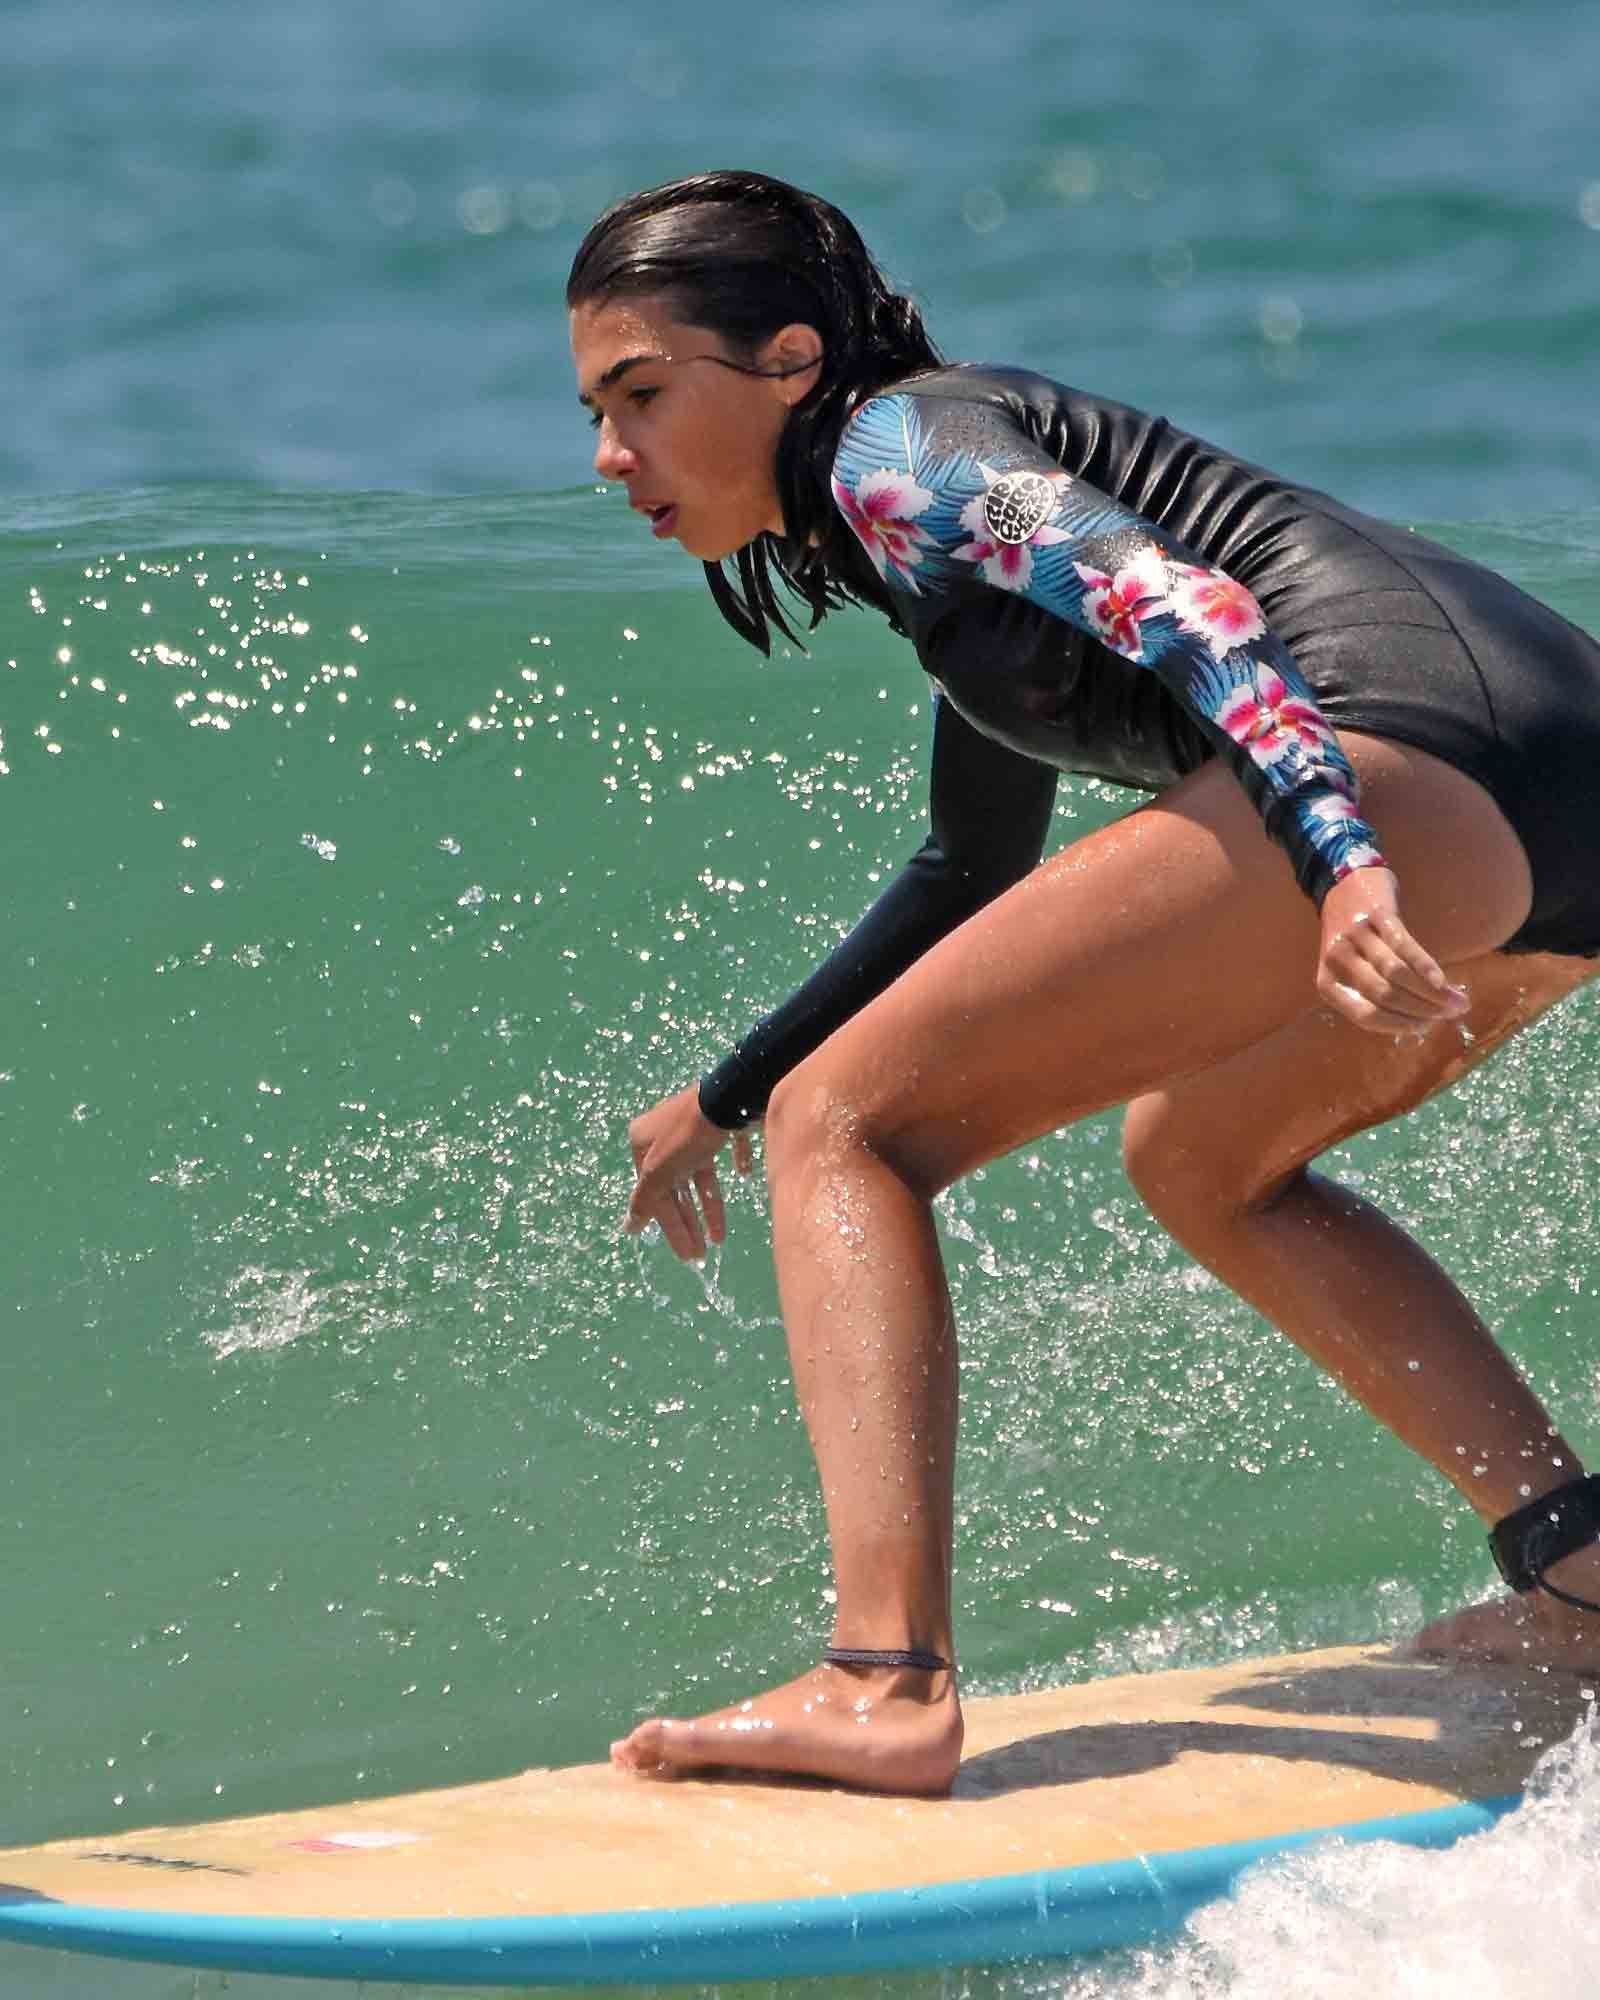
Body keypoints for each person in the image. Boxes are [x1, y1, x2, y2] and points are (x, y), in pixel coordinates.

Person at [567, 169, 1600, 1797]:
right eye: (596, 412)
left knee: (861, 1129)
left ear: (781, 359)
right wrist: (726, 1095)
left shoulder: (903, 452)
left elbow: (1183, 606)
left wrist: (1339, 857)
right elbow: (965, 875)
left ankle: (879, 1676)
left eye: (640, 398)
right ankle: (1585, 1577)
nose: (610, 457)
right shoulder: (935, 553)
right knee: (1198, 1158)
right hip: (1548, 800)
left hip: (1401, 767)